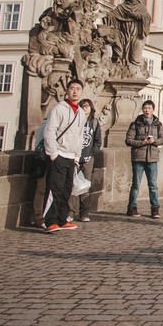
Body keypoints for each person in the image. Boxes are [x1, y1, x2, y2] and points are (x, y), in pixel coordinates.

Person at [42, 79, 87, 233]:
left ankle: (62, 219)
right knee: (55, 189)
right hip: (59, 153)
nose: (75, 91)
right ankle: (50, 221)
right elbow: (50, 131)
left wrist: (77, 156)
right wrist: (53, 153)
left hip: (71, 156)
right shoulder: (59, 109)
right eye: (72, 88)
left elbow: (80, 135)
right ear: (67, 91)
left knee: (67, 189)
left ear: (81, 92)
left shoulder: (81, 113)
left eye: (78, 89)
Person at [125, 99, 163, 218]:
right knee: (136, 185)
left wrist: (154, 142)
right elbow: (128, 140)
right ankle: (131, 208)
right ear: (142, 110)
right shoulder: (135, 124)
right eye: (145, 108)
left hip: (152, 158)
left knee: (153, 185)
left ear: (153, 110)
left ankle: (155, 209)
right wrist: (142, 142)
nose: (147, 110)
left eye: (149, 108)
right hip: (138, 157)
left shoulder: (158, 124)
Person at [75, 98, 101, 222]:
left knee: (85, 187)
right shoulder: (75, 121)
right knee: (70, 186)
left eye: (87, 106)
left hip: (87, 158)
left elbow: (97, 142)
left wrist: (91, 153)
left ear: (91, 108)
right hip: (74, 157)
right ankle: (68, 213)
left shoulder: (94, 122)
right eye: (83, 106)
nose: (85, 108)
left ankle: (84, 213)